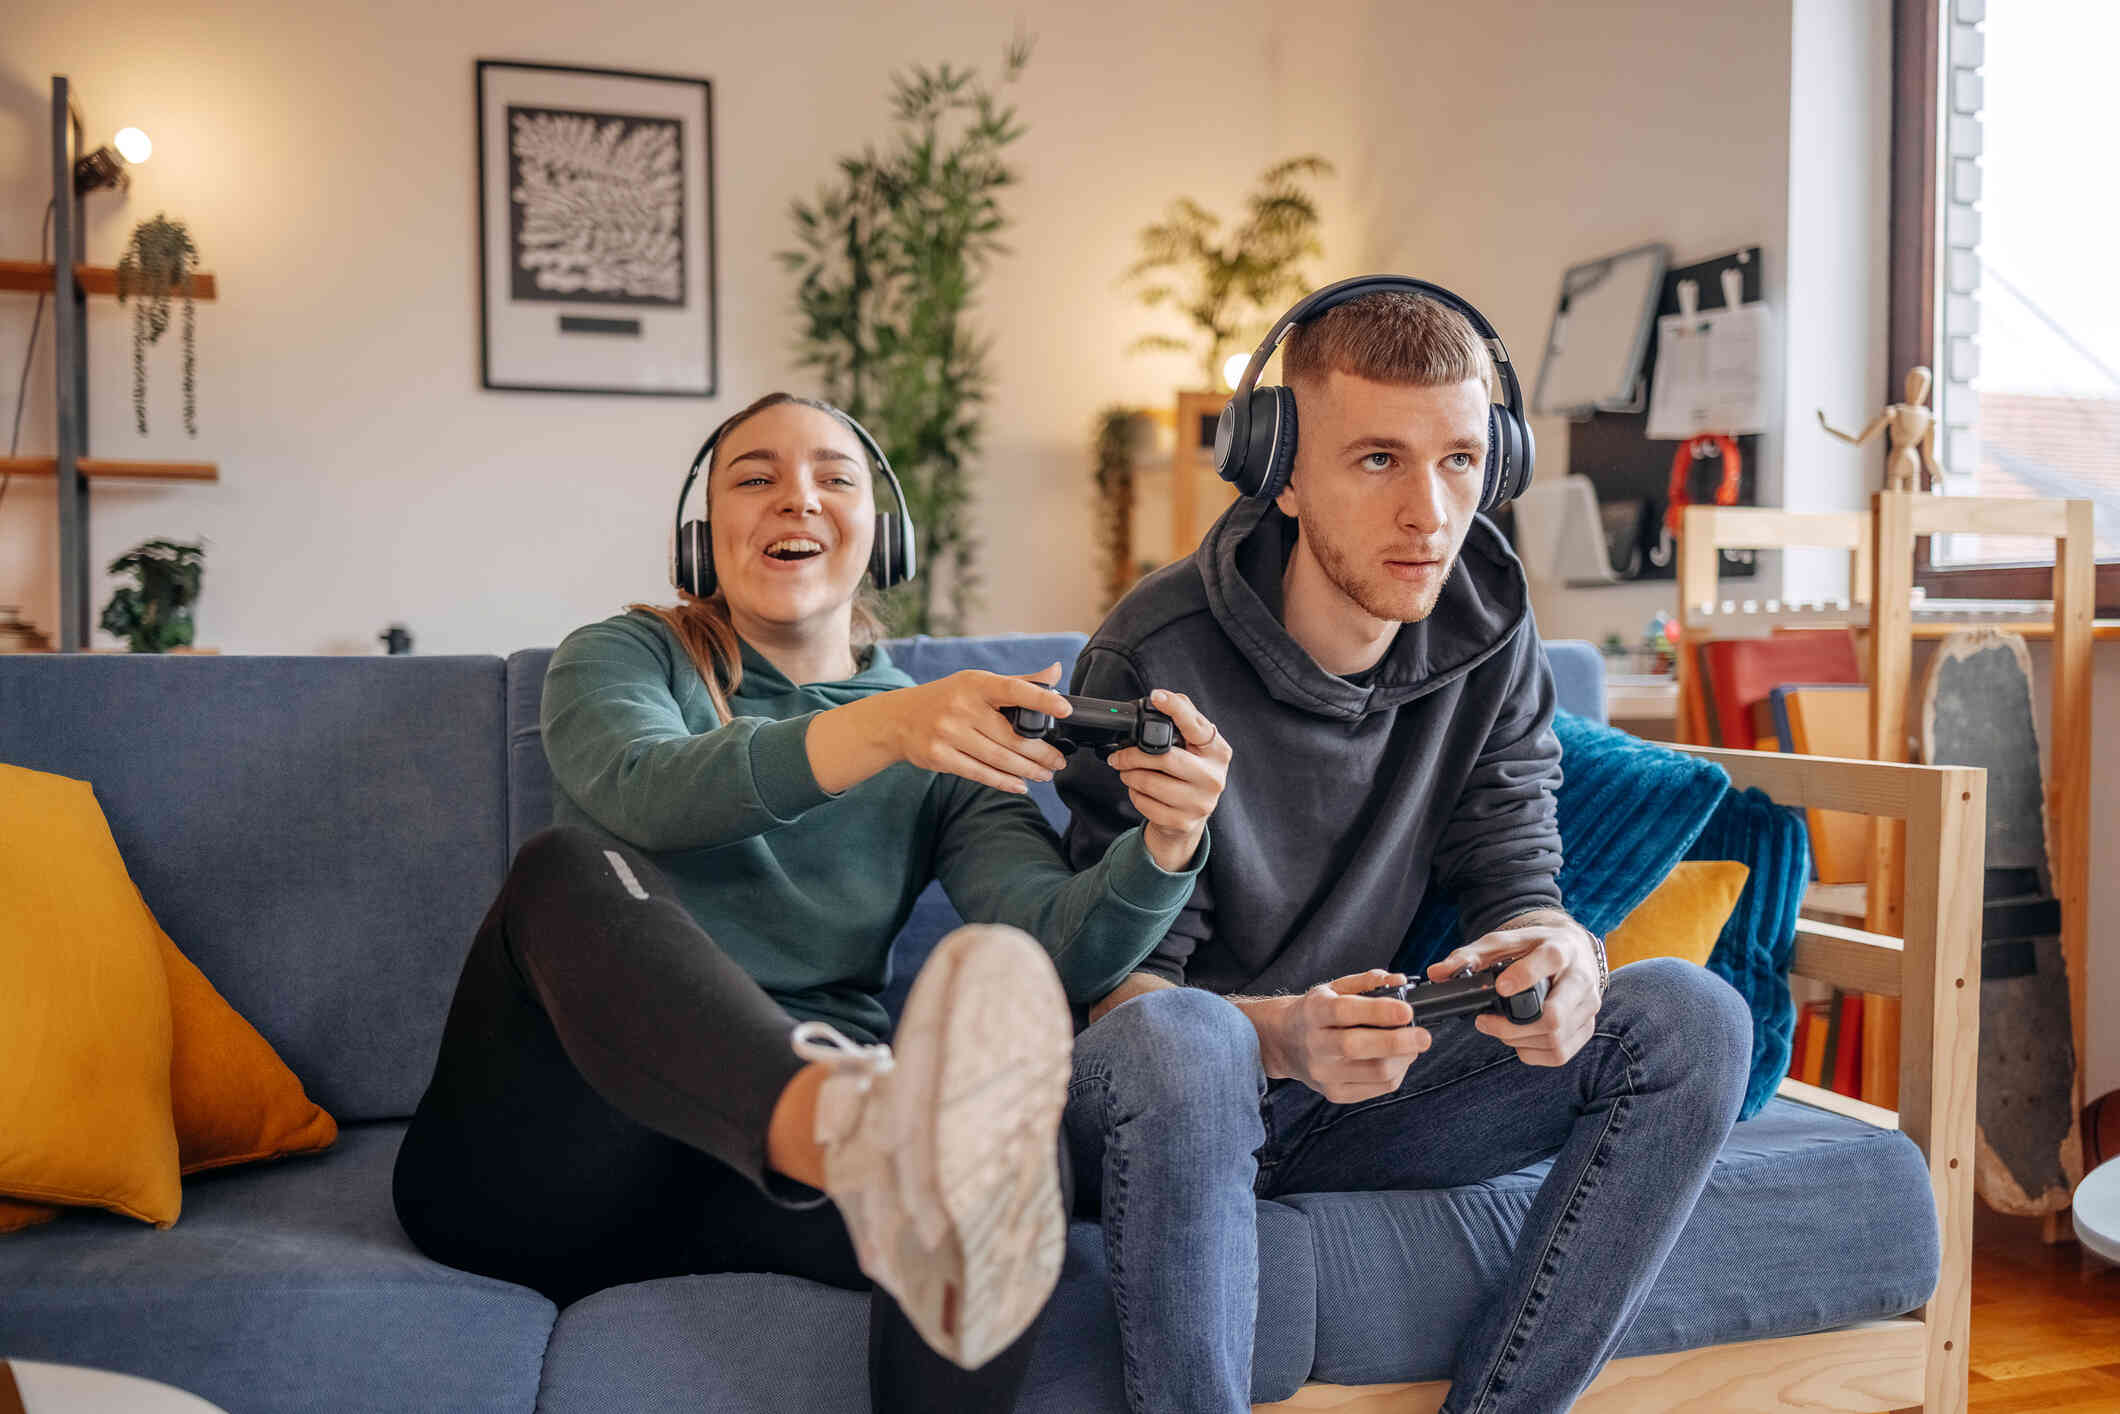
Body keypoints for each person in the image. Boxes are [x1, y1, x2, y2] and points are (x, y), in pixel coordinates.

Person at [392, 392, 1230, 1412]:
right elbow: (642, 786)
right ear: (704, 538)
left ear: (882, 535)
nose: (797, 496)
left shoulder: (946, 742)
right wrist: (887, 726)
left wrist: (1168, 841)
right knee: (563, 867)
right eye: (755, 477)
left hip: (746, 1193)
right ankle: (846, 1123)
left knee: (1005, 1165)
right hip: (551, 1160)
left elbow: (1054, 950)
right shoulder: (626, 656)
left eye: (834, 477)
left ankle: (875, 1142)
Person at [1058, 281, 1753, 1414]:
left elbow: (1516, 878)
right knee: (1186, 1045)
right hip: (1169, 1102)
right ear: (1280, 466)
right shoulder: (1153, 648)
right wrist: (1281, 1036)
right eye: (1378, 458)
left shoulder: (1487, 623)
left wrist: (1560, 957)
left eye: (1460, 460)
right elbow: (1123, 1006)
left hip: (1370, 1091)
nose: (1430, 513)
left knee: (1687, 1015)